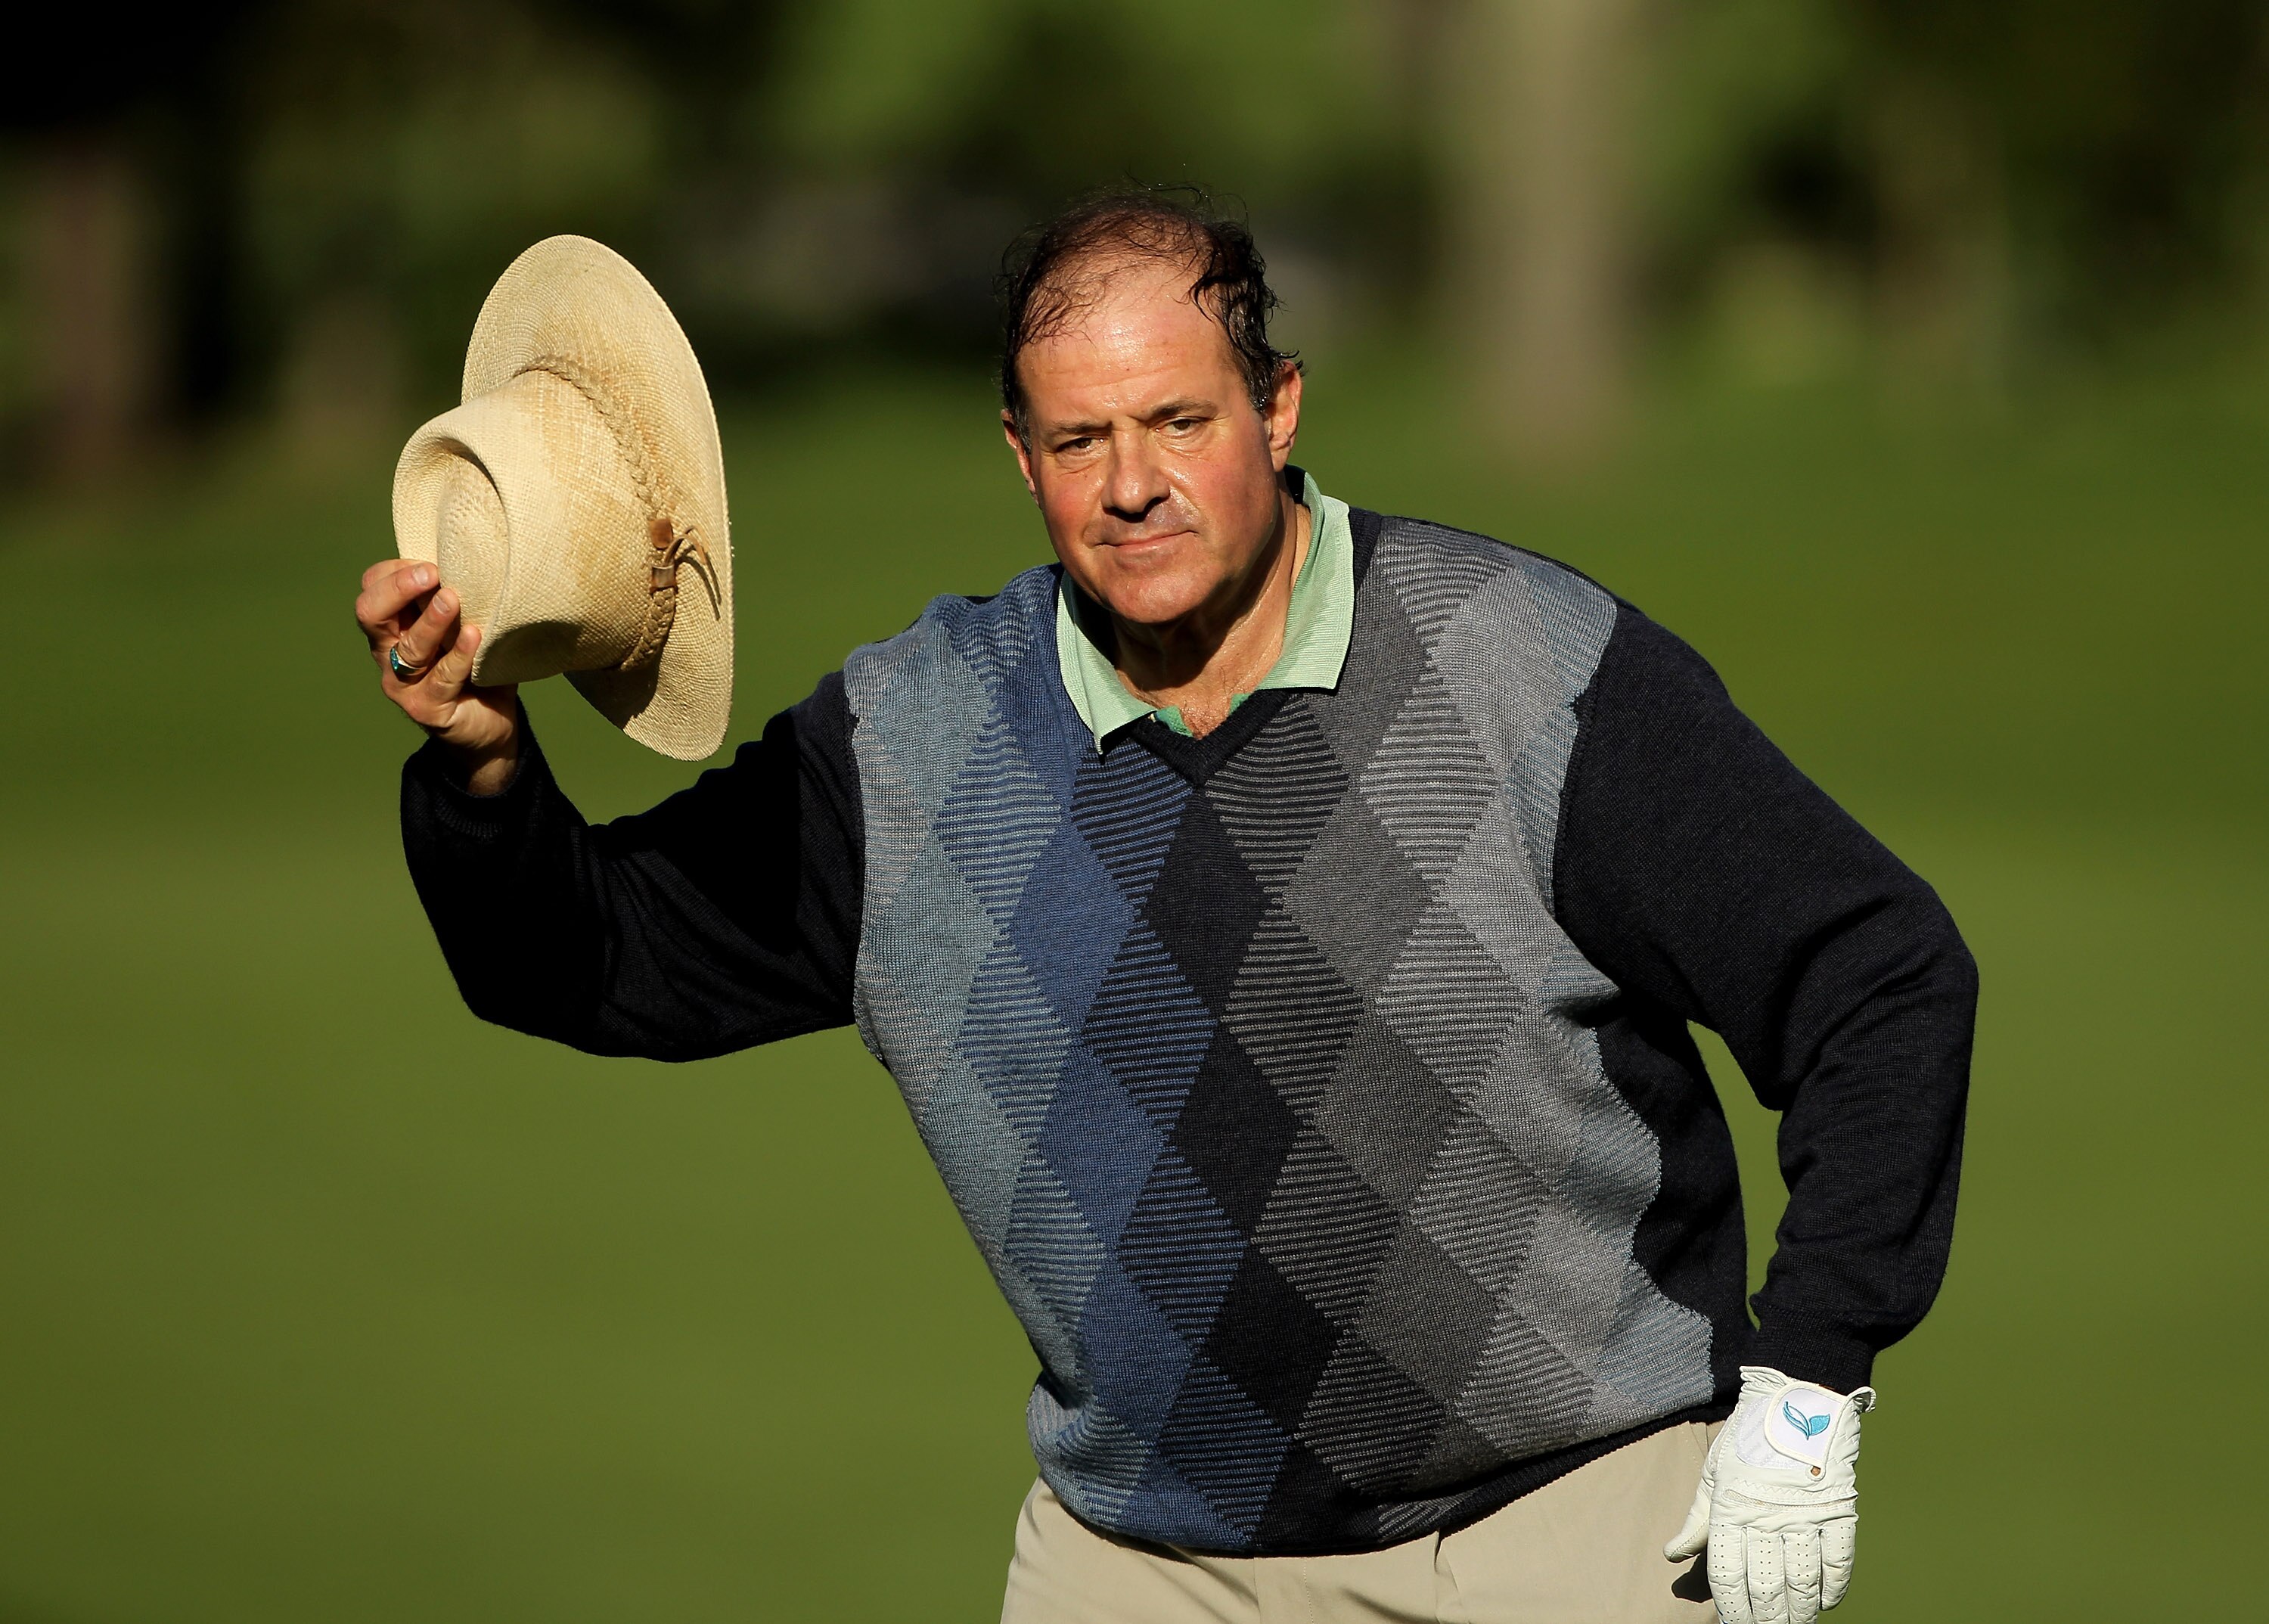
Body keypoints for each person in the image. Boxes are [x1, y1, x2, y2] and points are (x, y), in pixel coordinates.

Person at [355, 191, 1975, 1623]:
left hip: (1569, 1534)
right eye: (1078, 441)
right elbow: (593, 964)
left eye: (1177, 422)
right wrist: (485, 771)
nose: (1131, 484)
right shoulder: (911, 745)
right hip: (1145, 1565)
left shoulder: (1522, 664)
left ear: (1276, 410)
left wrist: (1814, 1374)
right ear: (1019, 454)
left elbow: (1876, 974)